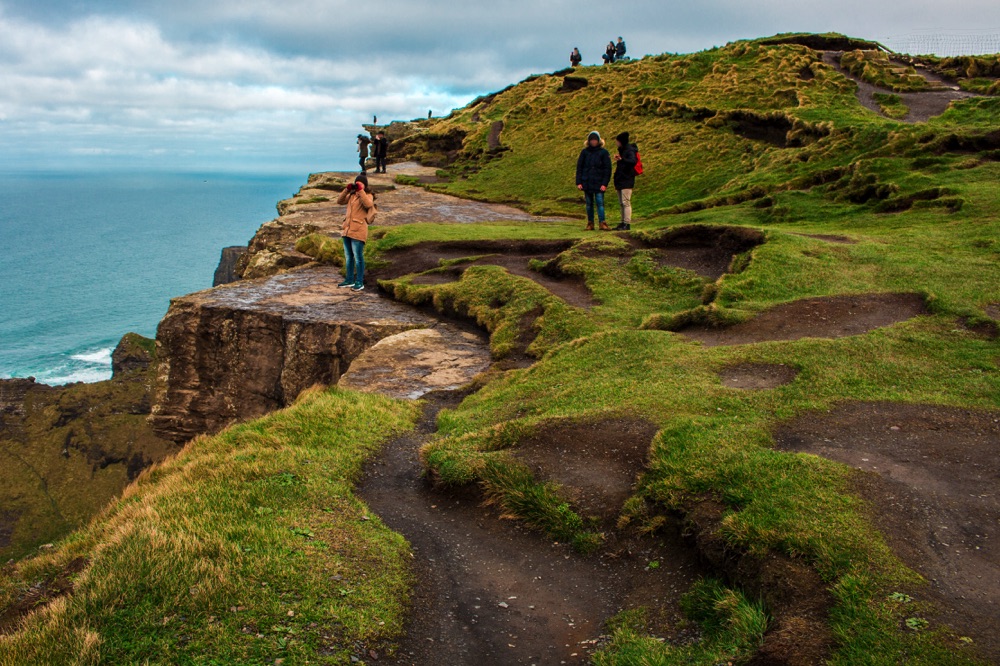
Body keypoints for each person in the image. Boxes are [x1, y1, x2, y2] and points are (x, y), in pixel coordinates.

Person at [336, 173, 376, 291]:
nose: (358, 184)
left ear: (365, 185)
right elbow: (339, 201)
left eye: (360, 183)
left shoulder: (368, 195)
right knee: (349, 257)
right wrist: (347, 189)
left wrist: (361, 191)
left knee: (358, 257)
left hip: (359, 230)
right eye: (357, 182)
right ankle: (349, 280)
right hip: (347, 229)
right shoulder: (352, 196)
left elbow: (369, 204)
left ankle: (359, 281)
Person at [576, 131, 612, 231]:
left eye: (595, 140)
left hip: (599, 182)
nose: (593, 142)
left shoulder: (604, 153)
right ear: (588, 141)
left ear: (599, 140)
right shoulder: (584, 152)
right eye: (591, 140)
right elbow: (579, 167)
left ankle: (602, 223)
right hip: (587, 182)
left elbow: (607, 169)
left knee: (600, 203)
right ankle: (590, 223)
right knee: (589, 204)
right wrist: (579, 182)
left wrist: (605, 183)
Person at [612, 131, 638, 230]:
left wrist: (622, 159)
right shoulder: (623, 150)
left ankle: (627, 223)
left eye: (617, 141)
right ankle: (623, 222)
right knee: (622, 203)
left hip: (627, 179)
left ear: (621, 141)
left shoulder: (629, 150)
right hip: (621, 179)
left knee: (625, 202)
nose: (616, 143)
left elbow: (632, 161)